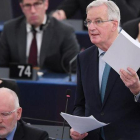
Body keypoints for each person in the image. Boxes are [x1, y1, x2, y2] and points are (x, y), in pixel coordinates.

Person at [70, 0, 140, 140]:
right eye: (88, 21)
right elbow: (80, 104)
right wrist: (78, 127)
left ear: (114, 24)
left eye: (98, 21)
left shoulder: (136, 54)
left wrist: (138, 90)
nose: (91, 27)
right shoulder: (84, 58)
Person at [0, 0, 80, 73]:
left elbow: (75, 69)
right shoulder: (10, 29)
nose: (33, 10)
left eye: (37, 4)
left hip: (51, 86)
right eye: (28, 5)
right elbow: (1, 66)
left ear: (46, 4)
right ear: (22, 7)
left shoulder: (64, 31)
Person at [52, 0, 140, 26]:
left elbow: (131, 16)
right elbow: (66, 9)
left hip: (121, 37)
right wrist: (59, 14)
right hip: (91, 39)